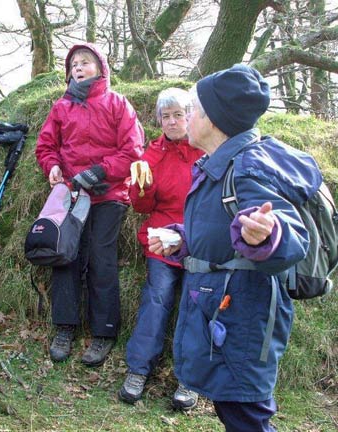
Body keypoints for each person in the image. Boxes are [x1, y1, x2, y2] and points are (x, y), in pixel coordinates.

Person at [149, 64, 322, 431]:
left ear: (214, 120)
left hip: (244, 316)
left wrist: (268, 234)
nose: (187, 117)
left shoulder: (247, 168)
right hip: (223, 308)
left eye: (193, 109)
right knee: (236, 412)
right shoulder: (218, 164)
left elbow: (292, 239)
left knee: (247, 416)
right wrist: (182, 238)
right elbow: (220, 228)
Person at [36, 43, 144, 366]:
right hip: (70, 195)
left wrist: (99, 171)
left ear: (101, 67)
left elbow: (134, 151)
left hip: (108, 194)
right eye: (74, 64)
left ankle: (104, 332)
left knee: (100, 255)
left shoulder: (117, 103)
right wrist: (52, 166)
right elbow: (45, 146)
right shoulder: (61, 107)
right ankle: (64, 327)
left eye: (85, 62)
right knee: (65, 254)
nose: (79, 68)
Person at [118, 88, 203, 408]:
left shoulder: (205, 149)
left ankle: (190, 378)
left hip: (200, 238)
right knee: (157, 298)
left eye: (178, 115)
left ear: (190, 115)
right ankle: (138, 370)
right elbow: (142, 206)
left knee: (196, 303)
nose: (171, 122)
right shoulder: (151, 154)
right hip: (163, 239)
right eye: (165, 116)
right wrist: (142, 187)